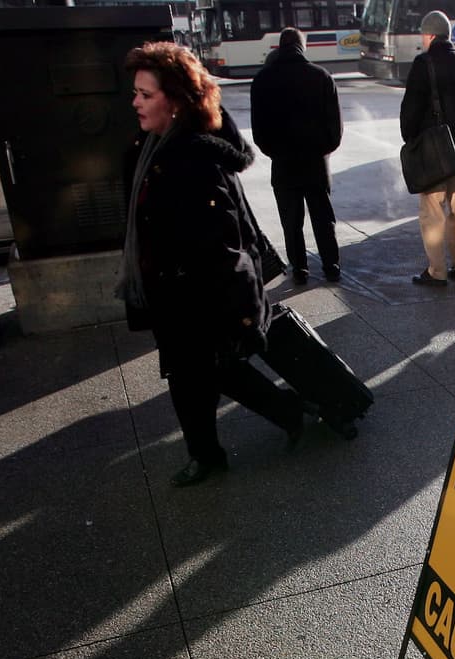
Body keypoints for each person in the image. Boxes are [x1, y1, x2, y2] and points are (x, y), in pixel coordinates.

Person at [117, 41, 305, 487]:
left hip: (198, 294)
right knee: (198, 374)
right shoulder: (150, 147)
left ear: (177, 101)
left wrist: (243, 314)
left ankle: (219, 447)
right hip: (171, 290)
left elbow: (227, 244)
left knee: (198, 375)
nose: (135, 102)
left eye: (146, 94)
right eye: (136, 92)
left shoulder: (194, 159)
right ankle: (216, 448)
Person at [250, 27, 344, 285]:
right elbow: (335, 128)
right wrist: (323, 149)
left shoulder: (262, 80)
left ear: (279, 47)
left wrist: (276, 152)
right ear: (303, 47)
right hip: (315, 162)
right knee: (323, 218)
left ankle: (300, 268)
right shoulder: (322, 77)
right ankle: (331, 265)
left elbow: (259, 131)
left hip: (283, 164)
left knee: (291, 221)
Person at [400, 10, 455, 286]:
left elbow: (410, 110)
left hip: (434, 155)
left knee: (433, 214)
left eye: (423, 34)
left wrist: (412, 140)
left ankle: (437, 272)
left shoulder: (424, 64)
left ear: (430, 35)